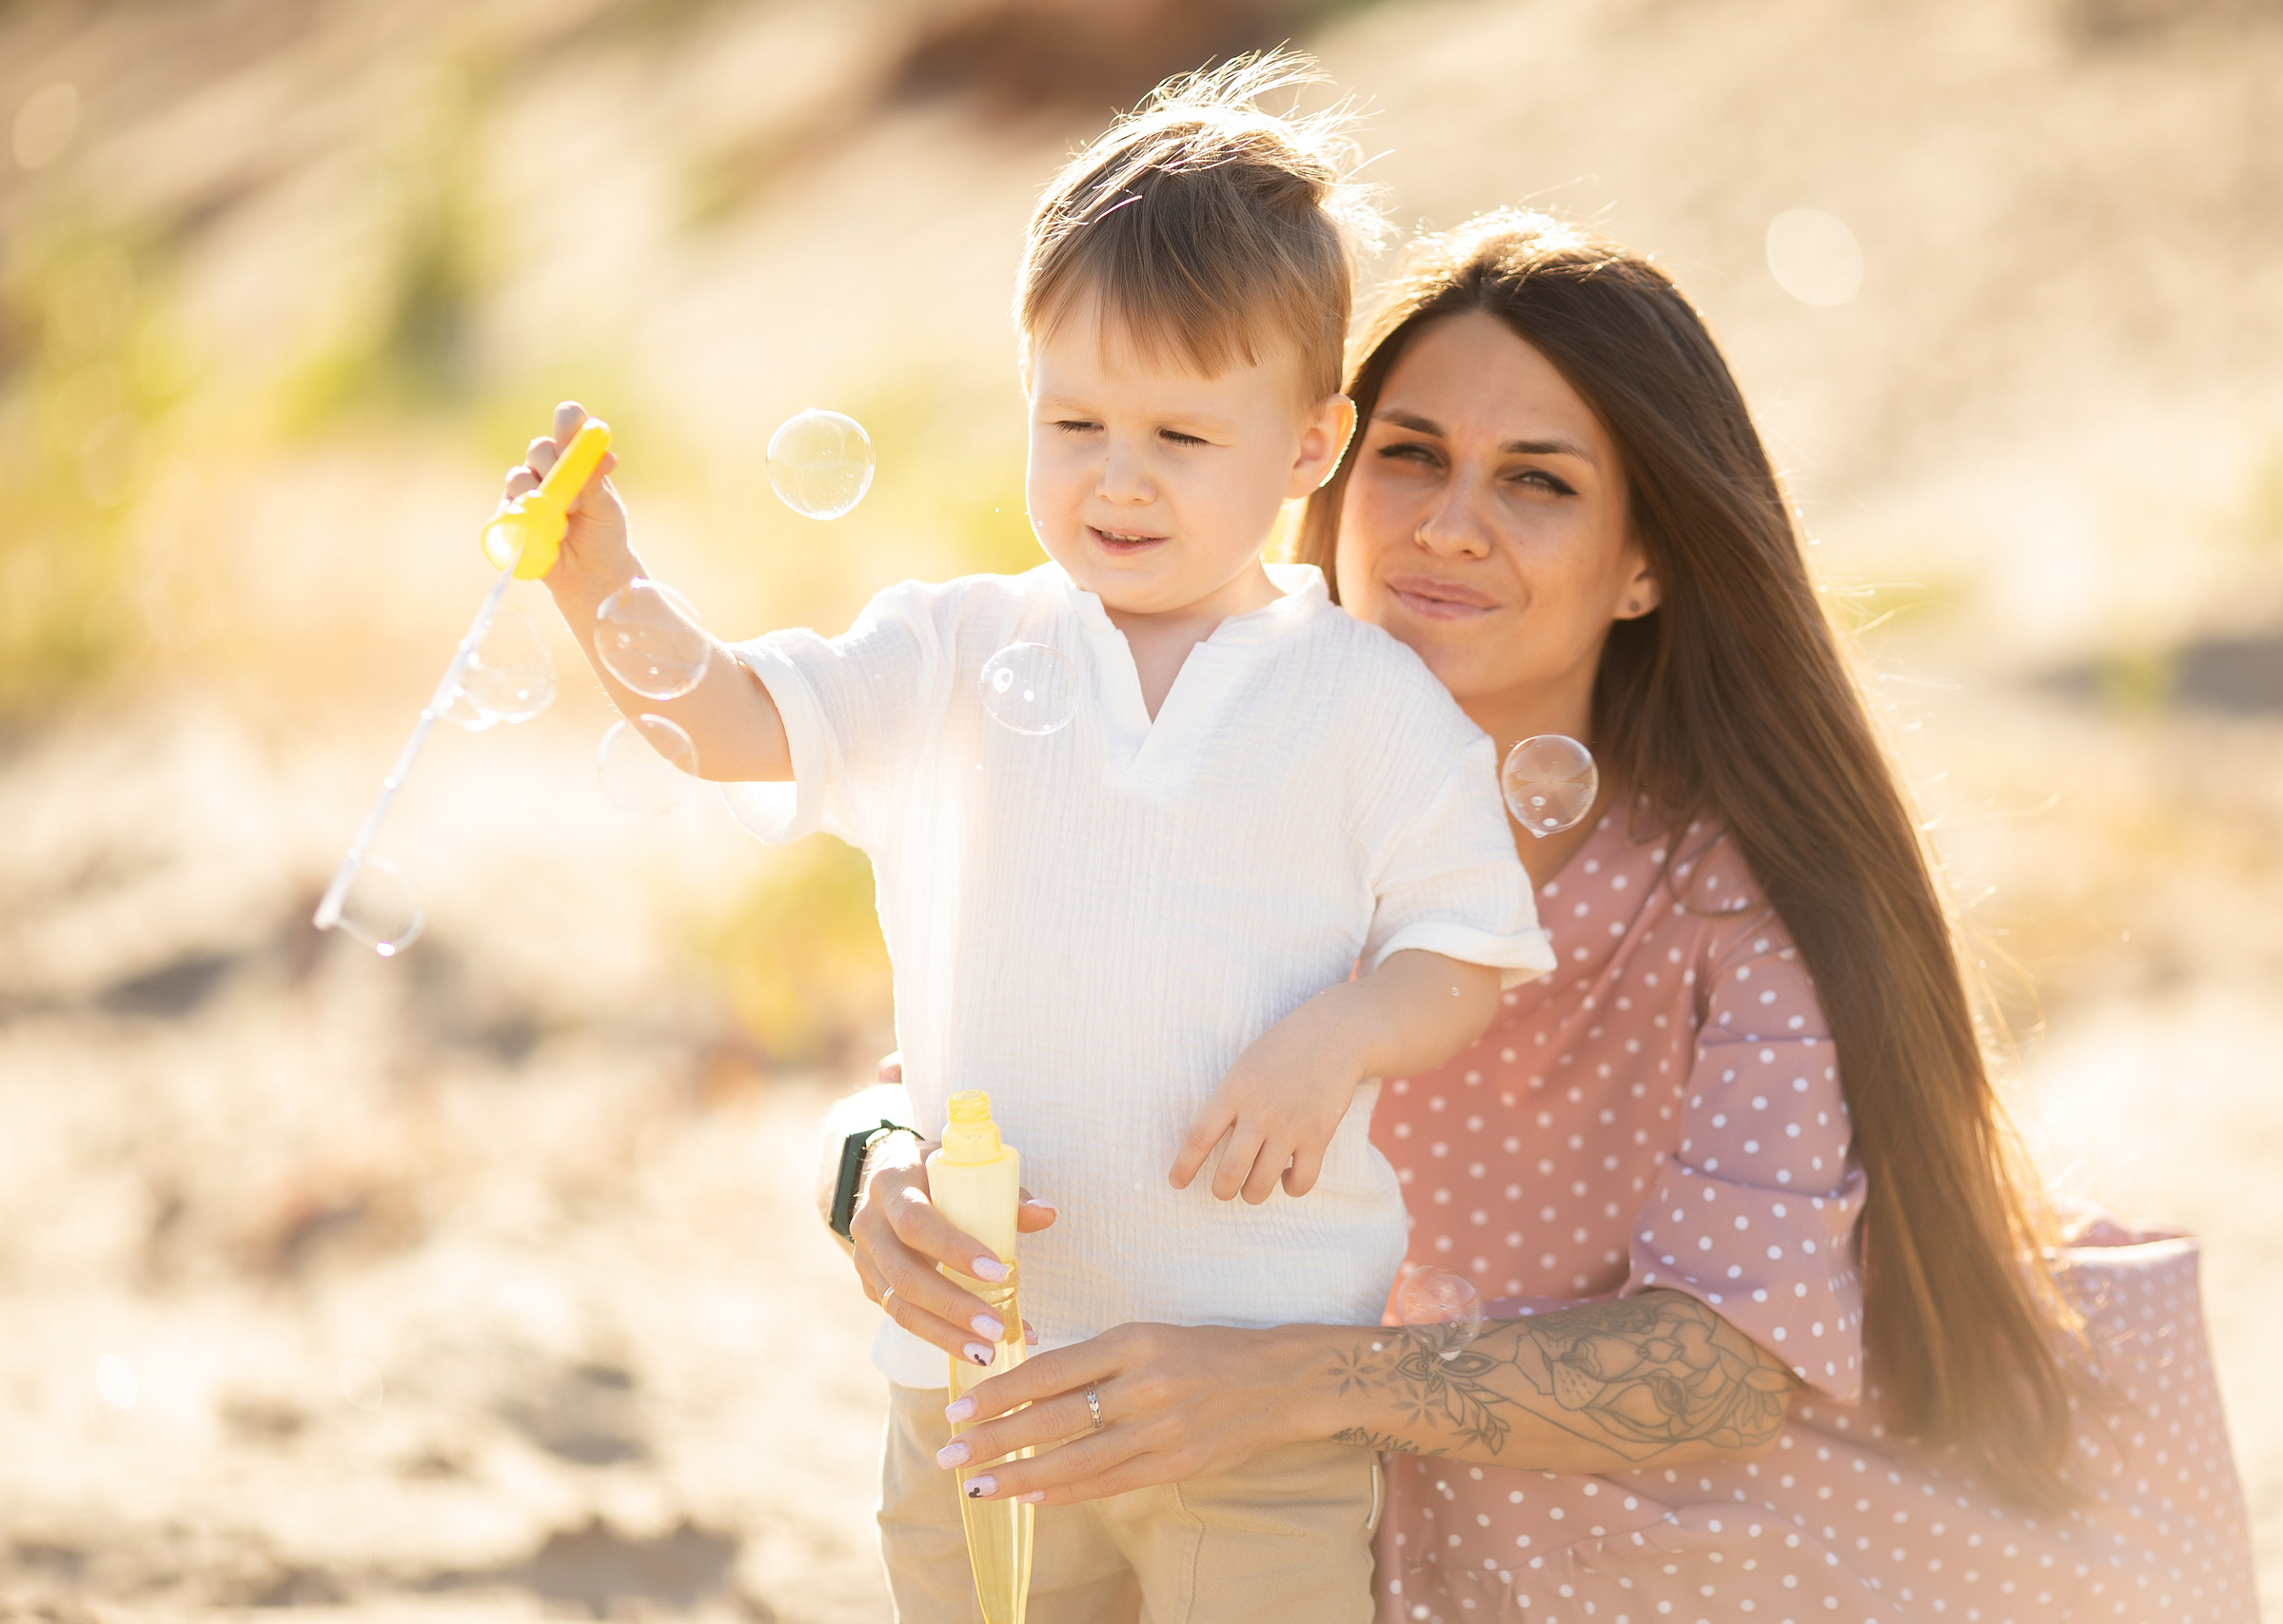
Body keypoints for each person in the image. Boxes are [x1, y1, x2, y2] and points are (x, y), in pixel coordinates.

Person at [849, 211, 2262, 1621]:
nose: (1450, 525)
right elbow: (940, 1082)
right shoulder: (1171, 772)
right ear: (1324, 469)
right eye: (1412, 456)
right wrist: (870, 1174)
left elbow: (1724, 1367)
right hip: (1266, 1510)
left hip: (1661, 1525)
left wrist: (1291, 1383)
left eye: (1538, 482)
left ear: (1646, 564)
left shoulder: (1727, 900)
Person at [511, 58, 1557, 1624]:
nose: (1115, 478)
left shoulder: (1367, 700)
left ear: (1311, 447)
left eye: (1179, 438)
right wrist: (603, 585)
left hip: (1251, 1403)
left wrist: (1341, 1034)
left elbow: (1462, 952)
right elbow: (724, 721)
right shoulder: (951, 654)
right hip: (977, 1385)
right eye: (1074, 420)